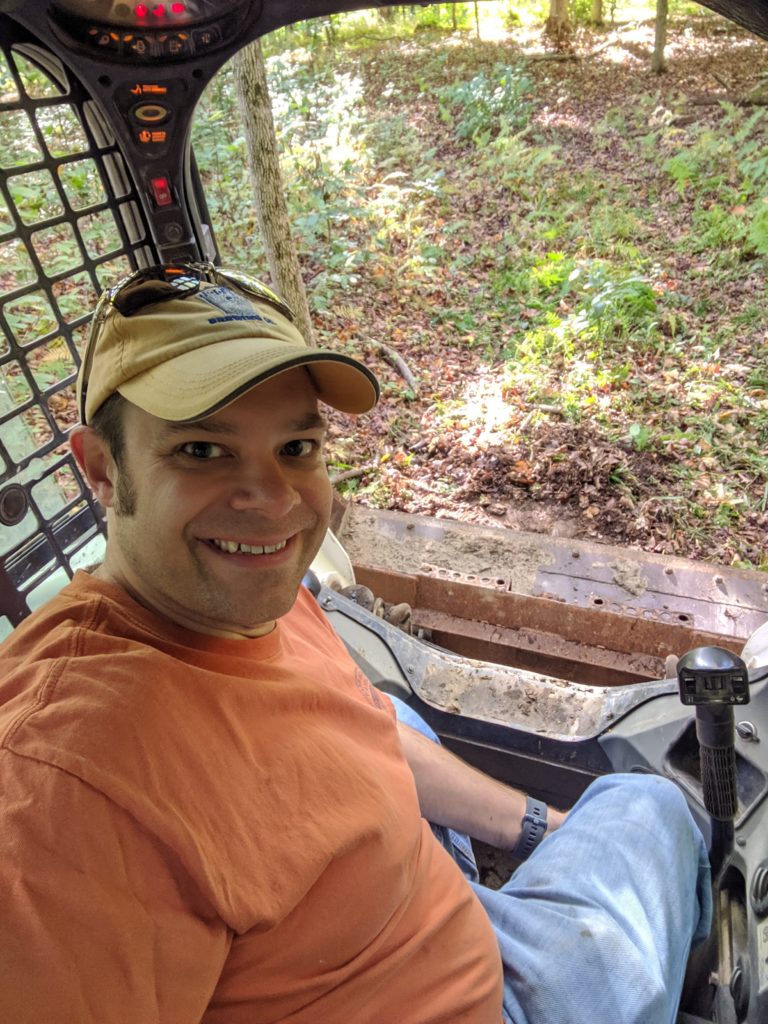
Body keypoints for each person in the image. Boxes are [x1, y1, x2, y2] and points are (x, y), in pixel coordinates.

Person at [0, 263, 711, 1024]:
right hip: (486, 1002)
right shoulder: (62, 798)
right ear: (103, 470)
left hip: (427, 914)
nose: (276, 504)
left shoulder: (248, 598)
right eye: (202, 451)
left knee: (397, 719)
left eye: (297, 446)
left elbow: (363, 730)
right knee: (649, 804)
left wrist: (542, 827)